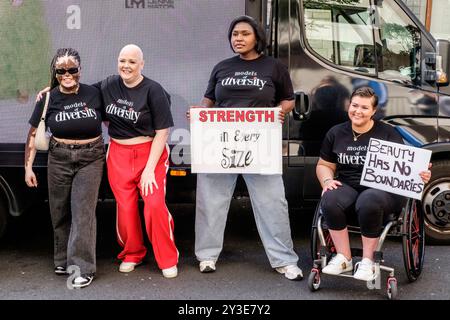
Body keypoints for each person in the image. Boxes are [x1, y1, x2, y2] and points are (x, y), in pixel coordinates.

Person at [190, 16, 303, 280]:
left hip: (260, 145)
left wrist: (278, 111)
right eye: (234, 34)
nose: (238, 39)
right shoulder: (221, 67)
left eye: (244, 34)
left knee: (272, 203)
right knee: (211, 201)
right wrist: (199, 112)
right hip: (220, 145)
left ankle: (284, 260)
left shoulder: (274, 67)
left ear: (257, 38)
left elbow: (289, 101)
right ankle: (206, 256)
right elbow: (208, 101)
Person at [316, 86, 431, 281]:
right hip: (349, 185)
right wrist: (327, 180)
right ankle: (345, 257)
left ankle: (368, 261)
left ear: (374, 111)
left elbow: (405, 165)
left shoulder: (387, 132)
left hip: (382, 190)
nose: (358, 111)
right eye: (354, 105)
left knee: (369, 200)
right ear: (348, 105)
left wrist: (420, 173)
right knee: (329, 198)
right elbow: (324, 165)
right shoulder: (336, 133)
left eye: (364, 107)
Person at [25, 48, 105, 288]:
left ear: (80, 70)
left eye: (72, 69)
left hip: (91, 157)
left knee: (82, 211)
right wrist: (28, 168)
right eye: (61, 70)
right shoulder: (48, 98)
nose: (67, 74)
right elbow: (31, 134)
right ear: (55, 73)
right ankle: (62, 259)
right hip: (58, 156)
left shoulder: (95, 93)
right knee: (58, 209)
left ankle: (82, 267)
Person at [98, 44, 178, 278]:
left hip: (149, 152)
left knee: (154, 204)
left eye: (132, 61)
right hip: (118, 153)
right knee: (126, 208)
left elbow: (163, 132)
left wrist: (149, 169)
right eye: (123, 60)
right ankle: (132, 253)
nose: (126, 66)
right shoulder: (109, 84)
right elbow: (82, 93)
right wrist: (50, 90)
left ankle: (167, 258)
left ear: (142, 64)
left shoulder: (154, 90)